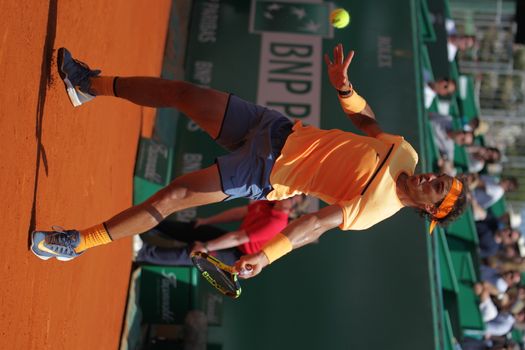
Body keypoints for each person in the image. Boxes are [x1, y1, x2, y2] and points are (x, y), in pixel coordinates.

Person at [31, 44, 468, 279]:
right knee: (185, 94)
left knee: (174, 194)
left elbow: (312, 225)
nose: (431, 176)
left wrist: (268, 256)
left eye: (436, 186)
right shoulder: (405, 152)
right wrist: (344, 89)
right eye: (439, 175)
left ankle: (75, 244)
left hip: (266, 173)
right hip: (275, 128)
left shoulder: (375, 210)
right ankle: (89, 84)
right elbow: (370, 124)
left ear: (429, 207)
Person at [135, 197, 304, 266]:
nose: (286, 197)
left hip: (238, 256)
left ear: (292, 209)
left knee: (194, 252)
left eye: (290, 199)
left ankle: (141, 253)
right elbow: (237, 213)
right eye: (288, 194)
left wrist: (206, 247)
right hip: (233, 241)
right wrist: (206, 221)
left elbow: (238, 238)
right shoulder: (268, 202)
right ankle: (148, 225)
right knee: (196, 228)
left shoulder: (277, 224)